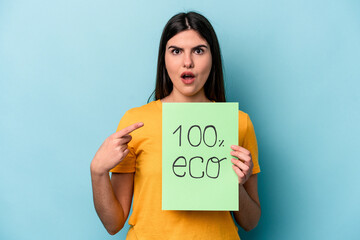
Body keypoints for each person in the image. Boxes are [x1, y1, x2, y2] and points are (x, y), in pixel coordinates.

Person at [90, 11, 261, 239]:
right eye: (176, 51)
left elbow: (250, 222)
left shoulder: (239, 124)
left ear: (213, 57)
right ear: (164, 58)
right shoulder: (136, 123)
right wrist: (97, 171)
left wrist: (235, 185)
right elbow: (113, 224)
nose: (187, 62)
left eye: (198, 50)